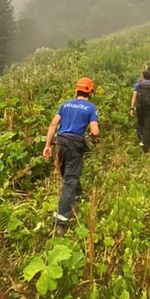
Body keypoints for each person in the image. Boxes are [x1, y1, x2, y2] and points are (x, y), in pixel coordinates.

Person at [43, 77, 99, 230]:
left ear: (76, 90)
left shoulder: (65, 104)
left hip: (60, 143)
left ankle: (77, 194)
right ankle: (61, 217)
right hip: (75, 144)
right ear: (90, 92)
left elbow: (54, 124)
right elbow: (95, 131)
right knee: (70, 178)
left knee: (67, 173)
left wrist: (47, 145)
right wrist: (92, 137)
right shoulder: (90, 108)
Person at [131, 70, 150, 153]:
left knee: (140, 124)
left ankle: (141, 139)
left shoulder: (138, 85)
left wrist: (132, 109)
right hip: (149, 109)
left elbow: (134, 97)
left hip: (140, 108)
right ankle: (146, 147)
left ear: (142, 76)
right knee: (147, 127)